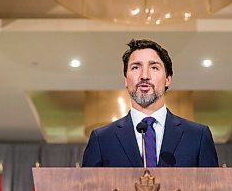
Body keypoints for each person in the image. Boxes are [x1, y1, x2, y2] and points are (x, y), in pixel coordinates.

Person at [82, 39, 219, 168]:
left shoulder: (198, 136)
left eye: (154, 67)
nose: (144, 76)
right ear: (125, 80)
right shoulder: (101, 139)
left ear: (167, 79)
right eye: (135, 67)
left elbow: (213, 190)